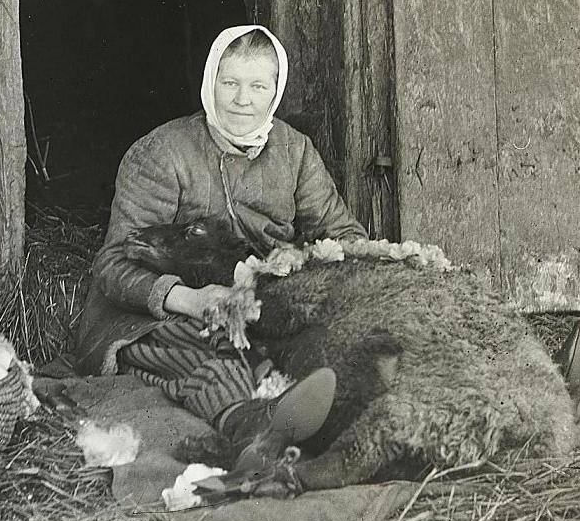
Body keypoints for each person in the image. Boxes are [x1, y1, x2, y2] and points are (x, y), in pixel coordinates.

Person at [75, 25, 369, 469]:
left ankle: (304, 414)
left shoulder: (294, 151)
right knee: (208, 345)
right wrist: (191, 299)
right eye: (229, 82)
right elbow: (115, 265)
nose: (241, 99)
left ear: (276, 90)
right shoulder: (162, 152)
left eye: (257, 86)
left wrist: (302, 269)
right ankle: (250, 426)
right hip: (156, 310)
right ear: (210, 79)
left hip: (256, 302)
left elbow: (345, 236)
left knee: (309, 343)